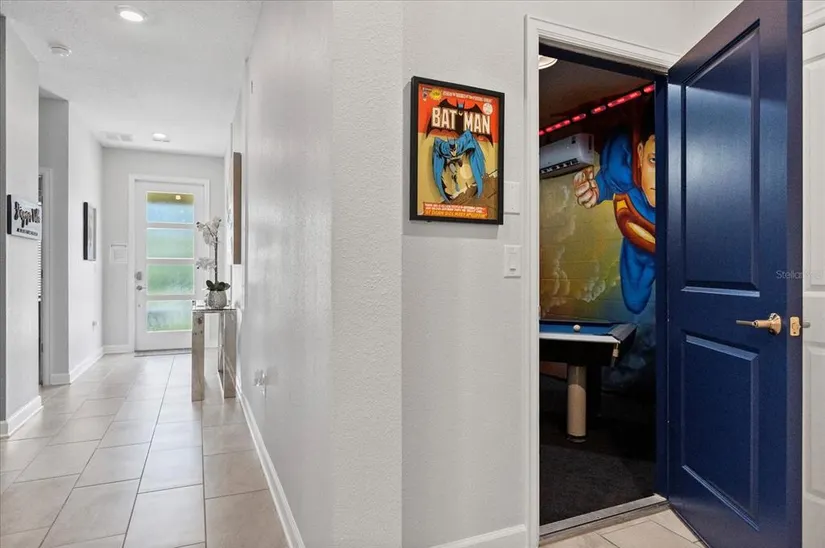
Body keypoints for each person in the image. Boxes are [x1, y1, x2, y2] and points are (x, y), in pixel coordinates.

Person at [572, 100, 655, 314]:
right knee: (635, 300)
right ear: (639, 153)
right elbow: (606, 184)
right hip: (639, 248)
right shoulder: (622, 169)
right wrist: (594, 191)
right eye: (654, 160)